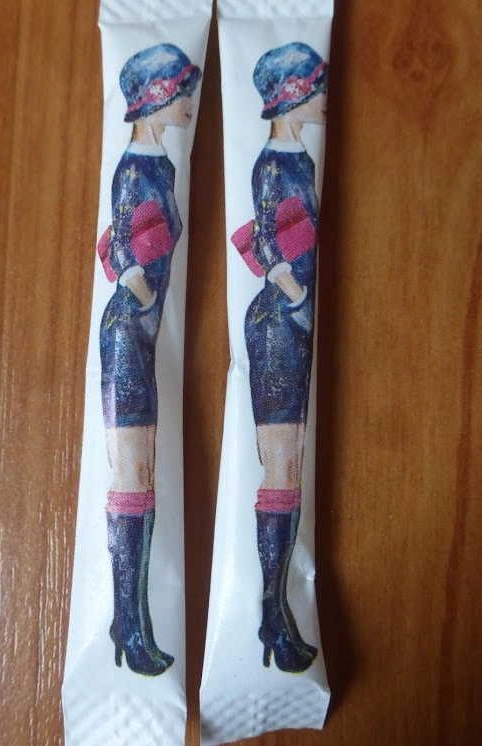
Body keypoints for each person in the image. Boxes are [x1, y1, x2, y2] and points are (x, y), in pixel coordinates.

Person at [98, 43, 201, 676]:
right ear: (157, 98)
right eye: (181, 93)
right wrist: (140, 300)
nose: (188, 103)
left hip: (143, 339)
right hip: (128, 340)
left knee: (142, 477)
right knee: (133, 478)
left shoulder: (158, 164)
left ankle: (130, 620)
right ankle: (129, 625)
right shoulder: (136, 171)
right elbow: (123, 257)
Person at [243, 42, 328, 673]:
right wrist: (297, 298)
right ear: (293, 96)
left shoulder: (299, 156)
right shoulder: (274, 164)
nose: (324, 100)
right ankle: (272, 617)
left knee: (289, 469)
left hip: (293, 325)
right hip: (277, 327)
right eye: (316, 89)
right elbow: (268, 244)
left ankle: (276, 616)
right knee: (280, 469)